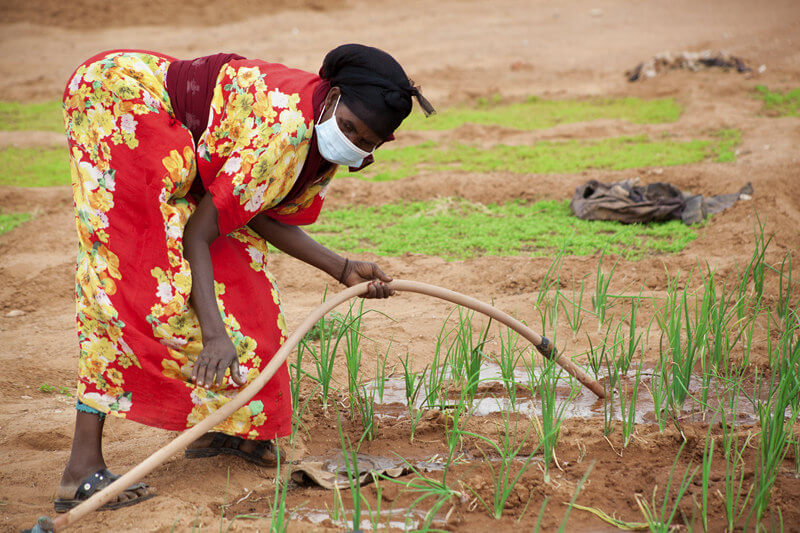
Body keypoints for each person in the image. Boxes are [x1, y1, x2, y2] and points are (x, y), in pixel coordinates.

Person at [55, 44, 434, 511]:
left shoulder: (321, 133)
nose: (353, 143)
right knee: (140, 285)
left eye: (367, 142)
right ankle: (81, 468)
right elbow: (199, 232)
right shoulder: (288, 130)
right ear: (332, 97)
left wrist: (341, 268)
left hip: (181, 143)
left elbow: (250, 209)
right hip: (120, 101)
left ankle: (234, 433)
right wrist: (214, 336)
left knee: (245, 282)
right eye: (351, 128)